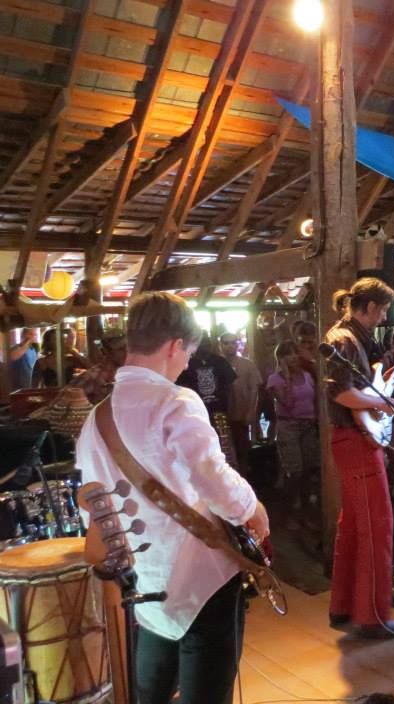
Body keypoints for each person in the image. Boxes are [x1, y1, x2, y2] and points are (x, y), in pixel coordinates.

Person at [76, 291, 269, 704]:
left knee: (151, 688)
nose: (185, 364)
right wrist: (252, 508)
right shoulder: (176, 402)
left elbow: (91, 501)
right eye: (188, 354)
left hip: (143, 579)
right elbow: (211, 478)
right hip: (200, 575)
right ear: (174, 345)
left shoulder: (96, 419)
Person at [324, 277, 394, 638]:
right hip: (356, 440)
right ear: (371, 307)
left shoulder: (348, 338)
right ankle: (373, 616)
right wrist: (382, 402)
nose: (384, 317)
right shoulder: (344, 340)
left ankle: (343, 607)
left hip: (350, 439)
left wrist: (385, 382)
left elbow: (355, 387)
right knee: (378, 525)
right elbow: (342, 395)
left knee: (352, 525)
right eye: (383, 310)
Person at [266, 341, 318, 525]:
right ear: (280, 358)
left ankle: (306, 511)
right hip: (289, 426)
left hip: (308, 425)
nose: (293, 357)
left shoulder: (308, 376)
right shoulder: (275, 379)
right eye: (287, 354)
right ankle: (289, 513)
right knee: (294, 472)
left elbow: (315, 401)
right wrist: (287, 378)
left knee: (308, 471)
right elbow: (287, 403)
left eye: (295, 353)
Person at [220, 332, 261, 475]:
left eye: (233, 342)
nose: (230, 346)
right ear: (220, 345)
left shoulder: (247, 365)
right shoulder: (216, 364)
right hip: (221, 415)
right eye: (226, 343)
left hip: (240, 415)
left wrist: (251, 411)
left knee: (242, 450)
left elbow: (254, 389)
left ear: (238, 344)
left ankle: (243, 479)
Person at [175, 335, 236, 420]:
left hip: (220, 410)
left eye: (206, 343)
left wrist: (232, 408)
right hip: (196, 411)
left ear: (210, 344)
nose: (204, 346)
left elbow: (231, 388)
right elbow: (181, 388)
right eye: (201, 343)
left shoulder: (220, 362)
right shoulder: (187, 363)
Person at [71, 327, 127, 405]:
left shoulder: (129, 373)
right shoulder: (93, 376)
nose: (126, 352)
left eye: (128, 347)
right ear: (106, 352)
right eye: (120, 349)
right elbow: (68, 397)